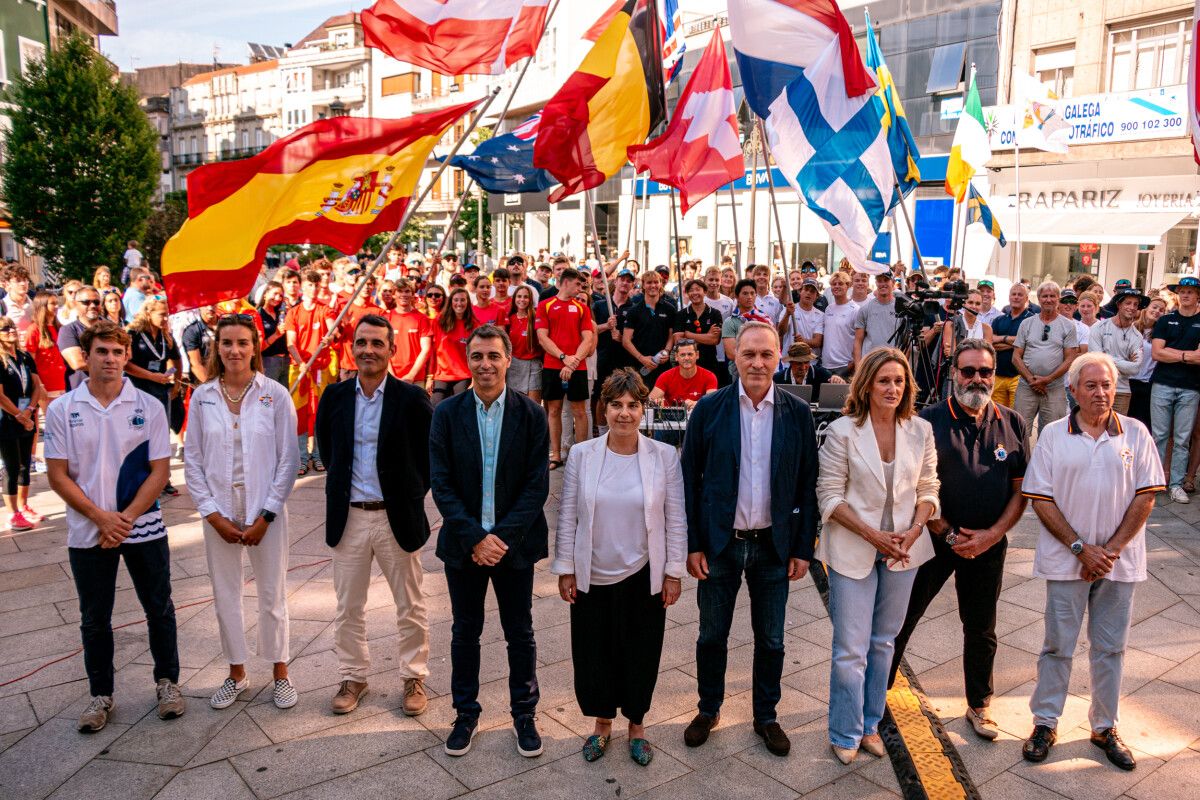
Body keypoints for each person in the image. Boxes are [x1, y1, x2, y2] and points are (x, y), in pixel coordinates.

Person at [680, 321, 819, 758]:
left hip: (773, 546)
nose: (758, 363)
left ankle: (766, 716)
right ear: (734, 357)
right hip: (721, 544)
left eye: (766, 354)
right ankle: (708, 708)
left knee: (772, 639)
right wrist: (693, 543)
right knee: (710, 636)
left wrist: (802, 548)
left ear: (779, 358)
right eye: (749, 354)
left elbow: (807, 484)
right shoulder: (709, 409)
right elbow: (690, 480)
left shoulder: (797, 413)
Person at [1019, 353, 1164, 771]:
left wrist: (1109, 552)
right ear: (1074, 390)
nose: (1101, 393)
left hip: (1119, 563)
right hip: (1068, 561)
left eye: (1106, 386)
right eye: (1091, 386)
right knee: (1057, 646)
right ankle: (1045, 723)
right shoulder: (1052, 434)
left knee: (1110, 648)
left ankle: (1104, 727)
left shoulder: (1135, 433)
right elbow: (1040, 498)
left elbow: (1146, 496)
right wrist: (1082, 549)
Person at [44, 320, 184, 732]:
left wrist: (124, 519)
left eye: (117, 352)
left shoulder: (149, 406)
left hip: (143, 526)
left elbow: (159, 472)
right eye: (101, 352)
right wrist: (101, 517)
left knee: (159, 607)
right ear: (86, 357)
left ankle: (168, 684)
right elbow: (57, 475)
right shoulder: (62, 409)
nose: (110, 359)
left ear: (127, 357)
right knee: (94, 617)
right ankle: (100, 695)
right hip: (89, 529)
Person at [889, 341, 1029, 741]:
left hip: (988, 544)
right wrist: (947, 532)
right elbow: (916, 489)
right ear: (955, 374)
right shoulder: (927, 421)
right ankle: (874, 697)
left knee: (982, 627)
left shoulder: (1013, 422)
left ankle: (980, 706)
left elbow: (1021, 491)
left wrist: (993, 534)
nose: (977, 380)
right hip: (934, 540)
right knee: (901, 619)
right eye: (968, 372)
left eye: (985, 372)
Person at [553, 368, 686, 766]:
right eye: (616, 405)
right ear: (603, 409)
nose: (624, 413)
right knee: (594, 653)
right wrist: (565, 567)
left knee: (641, 652)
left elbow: (675, 517)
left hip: (644, 573)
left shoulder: (664, 456)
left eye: (632, 405)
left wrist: (673, 571)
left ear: (643, 409)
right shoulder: (582, 454)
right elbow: (568, 515)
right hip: (593, 573)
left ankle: (638, 726)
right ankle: (601, 724)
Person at [430, 324, 550, 758]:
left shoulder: (531, 414)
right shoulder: (446, 413)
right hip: (464, 546)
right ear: (468, 359)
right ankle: (465, 713)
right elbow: (441, 484)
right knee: (465, 632)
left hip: (514, 546)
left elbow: (536, 487)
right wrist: (475, 538)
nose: (485, 364)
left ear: (509, 359)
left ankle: (524, 713)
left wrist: (499, 538)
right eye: (477, 356)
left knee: (520, 632)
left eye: (493, 356)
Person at [815, 347, 939, 764]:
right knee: (851, 647)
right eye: (884, 380)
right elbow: (828, 496)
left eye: (899, 381)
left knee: (883, 642)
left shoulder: (920, 430)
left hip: (905, 549)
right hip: (855, 548)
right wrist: (873, 535)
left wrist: (915, 529)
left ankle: (870, 726)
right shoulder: (843, 432)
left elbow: (929, 487)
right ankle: (844, 731)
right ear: (866, 384)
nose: (892, 388)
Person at [315, 314, 434, 717]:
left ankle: (413, 676)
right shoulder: (334, 397)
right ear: (353, 347)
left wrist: (409, 495)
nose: (368, 350)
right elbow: (328, 452)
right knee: (348, 606)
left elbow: (428, 458)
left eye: (377, 343)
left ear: (391, 350)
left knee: (410, 604)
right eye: (362, 342)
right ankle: (353, 677)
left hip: (395, 517)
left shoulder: (412, 398)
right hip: (349, 518)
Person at [184, 314, 300, 710]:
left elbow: (289, 459)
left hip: (265, 512)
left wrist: (266, 514)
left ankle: (280, 673)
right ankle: (236, 672)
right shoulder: (203, 397)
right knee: (225, 595)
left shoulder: (274, 395)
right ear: (216, 347)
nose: (235, 350)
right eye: (227, 343)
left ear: (255, 348)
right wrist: (211, 514)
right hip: (219, 510)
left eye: (243, 343)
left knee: (272, 594)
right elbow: (193, 460)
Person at [536, 268, 595, 469]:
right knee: (554, 410)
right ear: (566, 282)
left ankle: (580, 456)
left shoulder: (581, 308)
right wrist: (563, 357)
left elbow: (588, 338)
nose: (581, 288)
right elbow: (542, 337)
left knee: (579, 411)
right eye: (578, 284)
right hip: (553, 365)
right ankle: (556, 455)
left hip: (577, 367)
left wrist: (574, 360)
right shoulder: (545, 305)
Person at [124, 300, 183, 497]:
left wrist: (176, 379)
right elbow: (126, 364)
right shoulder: (133, 334)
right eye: (161, 314)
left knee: (160, 434)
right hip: (138, 388)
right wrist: (151, 376)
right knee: (139, 433)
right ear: (148, 314)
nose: (165, 318)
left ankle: (162, 478)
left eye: (167, 314)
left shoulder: (166, 335)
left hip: (160, 390)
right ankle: (141, 478)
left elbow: (176, 358)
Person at [1150, 275, 1200, 504]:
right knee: (1158, 435)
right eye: (1181, 291)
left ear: (1197, 295)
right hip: (1162, 383)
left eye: (1190, 292)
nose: (1185, 295)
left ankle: (1176, 484)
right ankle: (1154, 481)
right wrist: (1185, 355)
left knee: (1182, 439)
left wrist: (1173, 354)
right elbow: (1157, 353)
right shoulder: (1165, 320)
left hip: (1191, 387)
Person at [285, 271, 336, 475]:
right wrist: (301, 362)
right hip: (299, 368)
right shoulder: (293, 312)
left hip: (320, 368)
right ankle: (301, 457)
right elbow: (290, 342)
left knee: (319, 412)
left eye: (316, 285)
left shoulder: (325, 310)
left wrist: (329, 338)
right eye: (309, 285)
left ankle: (318, 454)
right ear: (302, 287)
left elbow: (331, 331)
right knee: (299, 414)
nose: (313, 289)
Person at [1012, 282, 1079, 435]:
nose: (1048, 300)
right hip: (1026, 386)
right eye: (1045, 296)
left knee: (1053, 434)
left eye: (1052, 296)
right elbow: (1016, 357)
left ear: (1058, 299)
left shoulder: (1068, 326)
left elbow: (1070, 359)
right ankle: (1023, 460)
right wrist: (1031, 380)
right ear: (1039, 299)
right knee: (1018, 431)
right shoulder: (1026, 323)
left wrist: (1047, 380)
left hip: (1054, 388)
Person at [0, 317, 45, 529]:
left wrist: (29, 411)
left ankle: (23, 505)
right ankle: (12, 513)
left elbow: (37, 385)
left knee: (26, 464)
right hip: (7, 419)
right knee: (12, 465)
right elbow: (0, 396)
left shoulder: (25, 356)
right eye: (5, 328)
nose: (11, 331)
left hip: (26, 415)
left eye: (12, 326)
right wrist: (20, 415)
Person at [1088, 288, 1148, 416]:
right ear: (1119, 304)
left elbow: (1135, 369)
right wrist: (1124, 362)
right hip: (1098, 388)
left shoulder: (1137, 336)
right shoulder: (1099, 328)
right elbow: (1096, 360)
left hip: (1122, 390)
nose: (1132, 307)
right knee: (1094, 427)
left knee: (1117, 431)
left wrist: (1105, 357)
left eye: (1135, 304)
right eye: (1128, 303)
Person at [622, 270, 677, 385]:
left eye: (656, 282)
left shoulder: (670, 309)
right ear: (643, 285)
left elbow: (672, 335)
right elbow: (626, 341)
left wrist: (666, 351)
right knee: (639, 400)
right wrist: (641, 358)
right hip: (639, 365)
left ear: (660, 284)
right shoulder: (634, 310)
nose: (653, 285)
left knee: (661, 401)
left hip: (662, 364)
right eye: (649, 282)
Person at [991, 283, 1036, 408]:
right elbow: (992, 343)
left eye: (1020, 295)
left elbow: (1030, 343)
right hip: (998, 375)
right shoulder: (999, 320)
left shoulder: (1031, 320)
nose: (1016, 297)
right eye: (1013, 294)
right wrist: (1018, 343)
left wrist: (1001, 339)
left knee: (1015, 416)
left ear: (1026, 299)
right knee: (997, 416)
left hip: (1019, 377)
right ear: (1009, 297)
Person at [720, 279, 773, 381]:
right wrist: (755, 359)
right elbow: (731, 353)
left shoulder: (764, 319)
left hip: (762, 368)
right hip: (738, 371)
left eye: (752, 293)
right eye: (745, 293)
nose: (749, 297)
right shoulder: (730, 322)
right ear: (737, 296)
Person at [384, 279, 434, 384]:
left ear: (412, 294)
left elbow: (426, 349)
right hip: (390, 376)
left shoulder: (422, 318)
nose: (403, 294)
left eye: (407, 291)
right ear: (394, 294)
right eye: (400, 291)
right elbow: (383, 348)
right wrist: (391, 375)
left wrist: (411, 375)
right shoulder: (386, 318)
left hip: (416, 377)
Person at [432, 287, 476, 404]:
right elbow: (433, 350)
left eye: (462, 300)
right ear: (451, 302)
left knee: (460, 409)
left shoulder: (474, 324)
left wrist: (474, 380)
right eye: (456, 300)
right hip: (442, 375)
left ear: (468, 302)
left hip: (464, 375)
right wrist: (430, 376)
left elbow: (476, 355)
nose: (459, 303)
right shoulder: (439, 321)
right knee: (434, 407)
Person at [1129, 295, 1166, 430]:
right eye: (1154, 307)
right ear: (1146, 308)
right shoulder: (1132, 327)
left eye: (1161, 310)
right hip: (1129, 380)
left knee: (1144, 422)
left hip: (1147, 382)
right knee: (1128, 419)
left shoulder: (1161, 332)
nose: (1157, 311)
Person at [675, 279, 723, 378]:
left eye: (698, 289)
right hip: (686, 365)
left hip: (710, 363)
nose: (695, 293)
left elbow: (714, 340)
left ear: (705, 292)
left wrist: (688, 335)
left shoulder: (715, 313)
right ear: (687, 293)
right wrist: (706, 337)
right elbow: (679, 342)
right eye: (691, 290)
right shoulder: (681, 314)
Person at [57, 285, 102, 390]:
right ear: (76, 305)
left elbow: (125, 357)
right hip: (81, 391)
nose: (92, 305)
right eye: (86, 302)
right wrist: (111, 365)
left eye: (96, 302)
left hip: (109, 390)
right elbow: (78, 363)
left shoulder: (111, 328)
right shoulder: (68, 330)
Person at [649, 340, 717, 408]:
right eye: (682, 355)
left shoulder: (709, 376)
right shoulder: (665, 376)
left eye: (690, 354)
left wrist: (697, 404)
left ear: (697, 355)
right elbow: (649, 402)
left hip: (699, 416)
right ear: (676, 357)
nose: (686, 358)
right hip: (671, 418)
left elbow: (712, 402)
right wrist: (656, 403)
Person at [853, 273, 902, 367]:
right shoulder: (865, 309)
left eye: (886, 280)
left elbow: (905, 340)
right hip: (870, 364)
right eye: (879, 281)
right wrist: (858, 367)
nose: (882, 283)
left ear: (893, 282)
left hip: (894, 363)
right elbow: (858, 341)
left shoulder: (901, 309)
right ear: (876, 283)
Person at [503, 284, 541, 399]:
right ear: (514, 299)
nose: (522, 300)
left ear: (530, 300)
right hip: (514, 364)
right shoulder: (510, 318)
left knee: (533, 403)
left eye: (525, 297)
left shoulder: (535, 317)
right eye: (519, 296)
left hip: (533, 363)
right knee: (516, 402)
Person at [822, 272, 859, 379]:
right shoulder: (829, 308)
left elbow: (860, 339)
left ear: (847, 286)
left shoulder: (855, 310)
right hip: (825, 366)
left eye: (840, 283)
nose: (837, 286)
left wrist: (853, 364)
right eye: (834, 284)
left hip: (845, 366)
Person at [780, 278, 825, 357]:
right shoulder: (788, 309)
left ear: (817, 296)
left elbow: (817, 342)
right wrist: (787, 314)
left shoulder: (821, 315)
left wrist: (803, 341)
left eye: (812, 291)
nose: (808, 293)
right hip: (790, 361)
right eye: (806, 289)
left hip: (811, 363)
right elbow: (780, 332)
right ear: (800, 291)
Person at [257, 281, 290, 386]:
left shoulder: (282, 313)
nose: (277, 298)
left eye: (280, 295)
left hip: (285, 360)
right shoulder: (258, 315)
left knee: (283, 397)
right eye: (275, 294)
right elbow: (258, 347)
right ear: (265, 294)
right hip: (268, 361)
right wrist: (275, 335)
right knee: (268, 397)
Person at [773, 341, 844, 389]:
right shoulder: (778, 378)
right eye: (799, 363)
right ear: (791, 362)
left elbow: (836, 381)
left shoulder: (821, 374)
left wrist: (836, 379)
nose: (803, 367)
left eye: (806, 362)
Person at [2, 264, 34, 334]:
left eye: (25, 280)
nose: (23, 283)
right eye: (18, 280)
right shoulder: (2, 306)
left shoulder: (35, 303)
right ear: (8, 284)